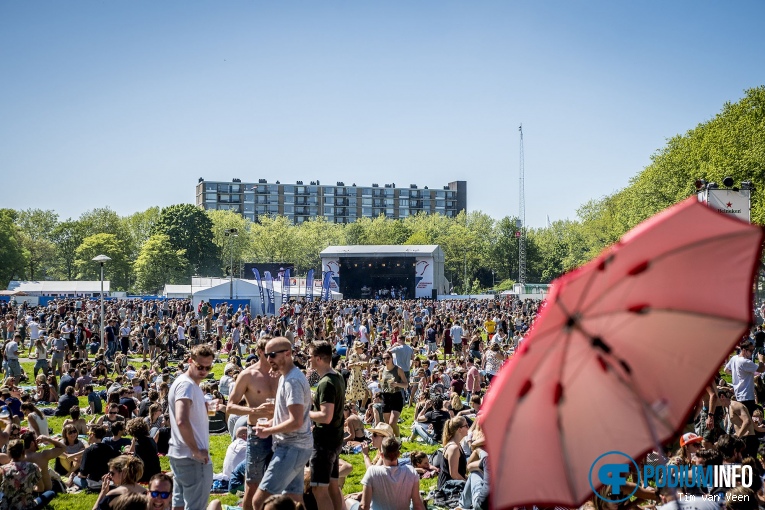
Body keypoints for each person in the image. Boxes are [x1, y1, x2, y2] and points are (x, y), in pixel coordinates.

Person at [252, 337, 313, 510]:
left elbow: (296, 421)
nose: (268, 359)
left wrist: (269, 430)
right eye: (265, 355)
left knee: (260, 502)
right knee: (293, 499)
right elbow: (288, 416)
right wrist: (269, 424)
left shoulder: (292, 381)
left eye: (272, 355)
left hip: (292, 447)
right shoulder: (285, 378)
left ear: (287, 353)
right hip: (296, 446)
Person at [225, 337, 279, 510]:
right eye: (270, 353)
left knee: (280, 482)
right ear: (260, 352)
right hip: (257, 432)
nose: (273, 357)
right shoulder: (248, 375)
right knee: (253, 481)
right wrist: (254, 411)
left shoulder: (281, 372)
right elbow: (230, 406)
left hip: (280, 430)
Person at [168, 344, 215, 510]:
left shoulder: (187, 384)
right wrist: (196, 450)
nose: (204, 371)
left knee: (179, 505)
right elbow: (182, 420)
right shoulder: (186, 385)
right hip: (191, 457)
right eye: (200, 366)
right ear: (190, 361)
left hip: (179, 454)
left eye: (208, 368)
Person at [308, 341, 346, 510]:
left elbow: (325, 416)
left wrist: (303, 413)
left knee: (318, 489)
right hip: (335, 439)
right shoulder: (336, 376)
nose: (308, 360)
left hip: (324, 442)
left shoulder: (326, 383)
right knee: (332, 487)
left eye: (310, 356)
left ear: (318, 358)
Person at [360, 437, 425, 510]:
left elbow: (364, 506)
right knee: (420, 498)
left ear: (381, 455)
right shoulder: (411, 471)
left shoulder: (372, 471)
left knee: (349, 501)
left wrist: (365, 455)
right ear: (399, 454)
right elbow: (418, 505)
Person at [0, 439, 56, 510]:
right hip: (27, 506)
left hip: (7, 507)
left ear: (9, 453)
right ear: (23, 452)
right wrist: (28, 487)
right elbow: (41, 488)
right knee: (50, 493)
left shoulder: (3, 469)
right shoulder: (33, 467)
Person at [724, 340, 765, 417]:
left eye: (753, 350)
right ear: (744, 350)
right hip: (747, 397)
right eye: (750, 350)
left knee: (741, 421)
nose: (752, 352)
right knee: (748, 422)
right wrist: (761, 360)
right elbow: (761, 369)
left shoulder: (734, 358)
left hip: (738, 395)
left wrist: (736, 373)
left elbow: (726, 370)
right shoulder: (745, 362)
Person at [73, 425, 120, 490]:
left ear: (92, 434)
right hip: (107, 480)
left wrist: (77, 474)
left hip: (93, 482)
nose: (88, 435)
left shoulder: (88, 450)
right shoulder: (109, 448)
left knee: (75, 478)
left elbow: (83, 474)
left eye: (88, 433)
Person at [379, 351, 408, 438]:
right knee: (388, 424)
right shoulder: (381, 370)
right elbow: (380, 383)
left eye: (388, 358)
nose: (386, 360)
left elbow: (406, 384)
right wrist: (379, 384)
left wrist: (397, 384)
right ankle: (391, 439)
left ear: (392, 358)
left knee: (392, 422)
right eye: (384, 358)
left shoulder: (398, 369)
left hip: (396, 396)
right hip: (386, 397)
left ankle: (398, 439)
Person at [125, 417, 161, 483]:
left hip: (145, 474)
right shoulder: (150, 439)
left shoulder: (139, 443)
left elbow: (135, 459)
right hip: (155, 471)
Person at [437, 417, 468, 489]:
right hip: (448, 487)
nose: (468, 427)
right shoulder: (453, 448)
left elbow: (460, 473)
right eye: (466, 426)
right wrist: (468, 485)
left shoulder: (457, 444)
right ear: (459, 429)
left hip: (454, 483)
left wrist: (469, 479)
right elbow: (454, 475)